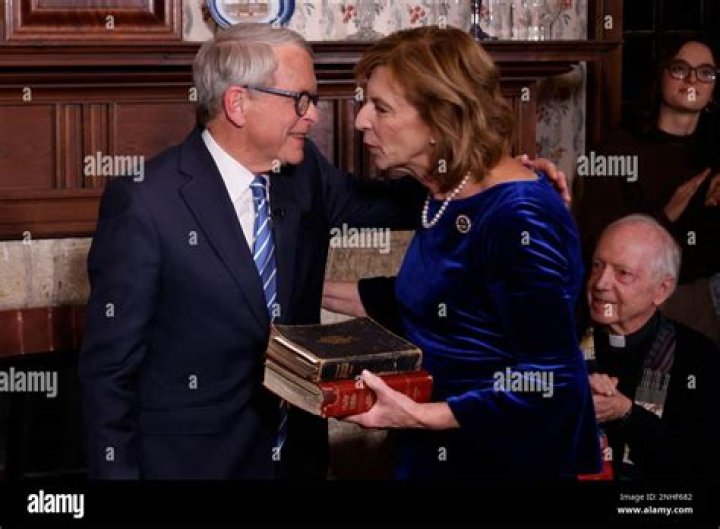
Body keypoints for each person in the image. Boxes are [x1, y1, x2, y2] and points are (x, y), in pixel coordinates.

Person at [79, 23, 565, 480]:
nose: (314, 115)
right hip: (193, 464)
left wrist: (495, 178)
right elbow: (108, 375)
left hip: (298, 457)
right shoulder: (146, 201)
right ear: (238, 104)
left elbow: (397, 201)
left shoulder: (301, 171)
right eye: (301, 99)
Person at [334, 26, 601, 480]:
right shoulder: (445, 192)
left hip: (502, 456)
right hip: (438, 443)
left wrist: (424, 416)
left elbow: (553, 378)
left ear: (442, 118)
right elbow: (447, 303)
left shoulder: (520, 217)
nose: (360, 120)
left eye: (381, 107)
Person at [574, 38, 720, 346]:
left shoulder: (712, 149)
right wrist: (666, 215)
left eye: (705, 72)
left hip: (705, 292)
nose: (692, 80)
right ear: (660, 76)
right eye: (680, 69)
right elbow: (595, 244)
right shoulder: (616, 150)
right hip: (640, 298)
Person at [582, 214, 720, 480]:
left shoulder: (698, 357)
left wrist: (626, 413)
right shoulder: (561, 341)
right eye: (597, 266)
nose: (600, 283)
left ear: (662, 290)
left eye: (623, 273)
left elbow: (701, 465)